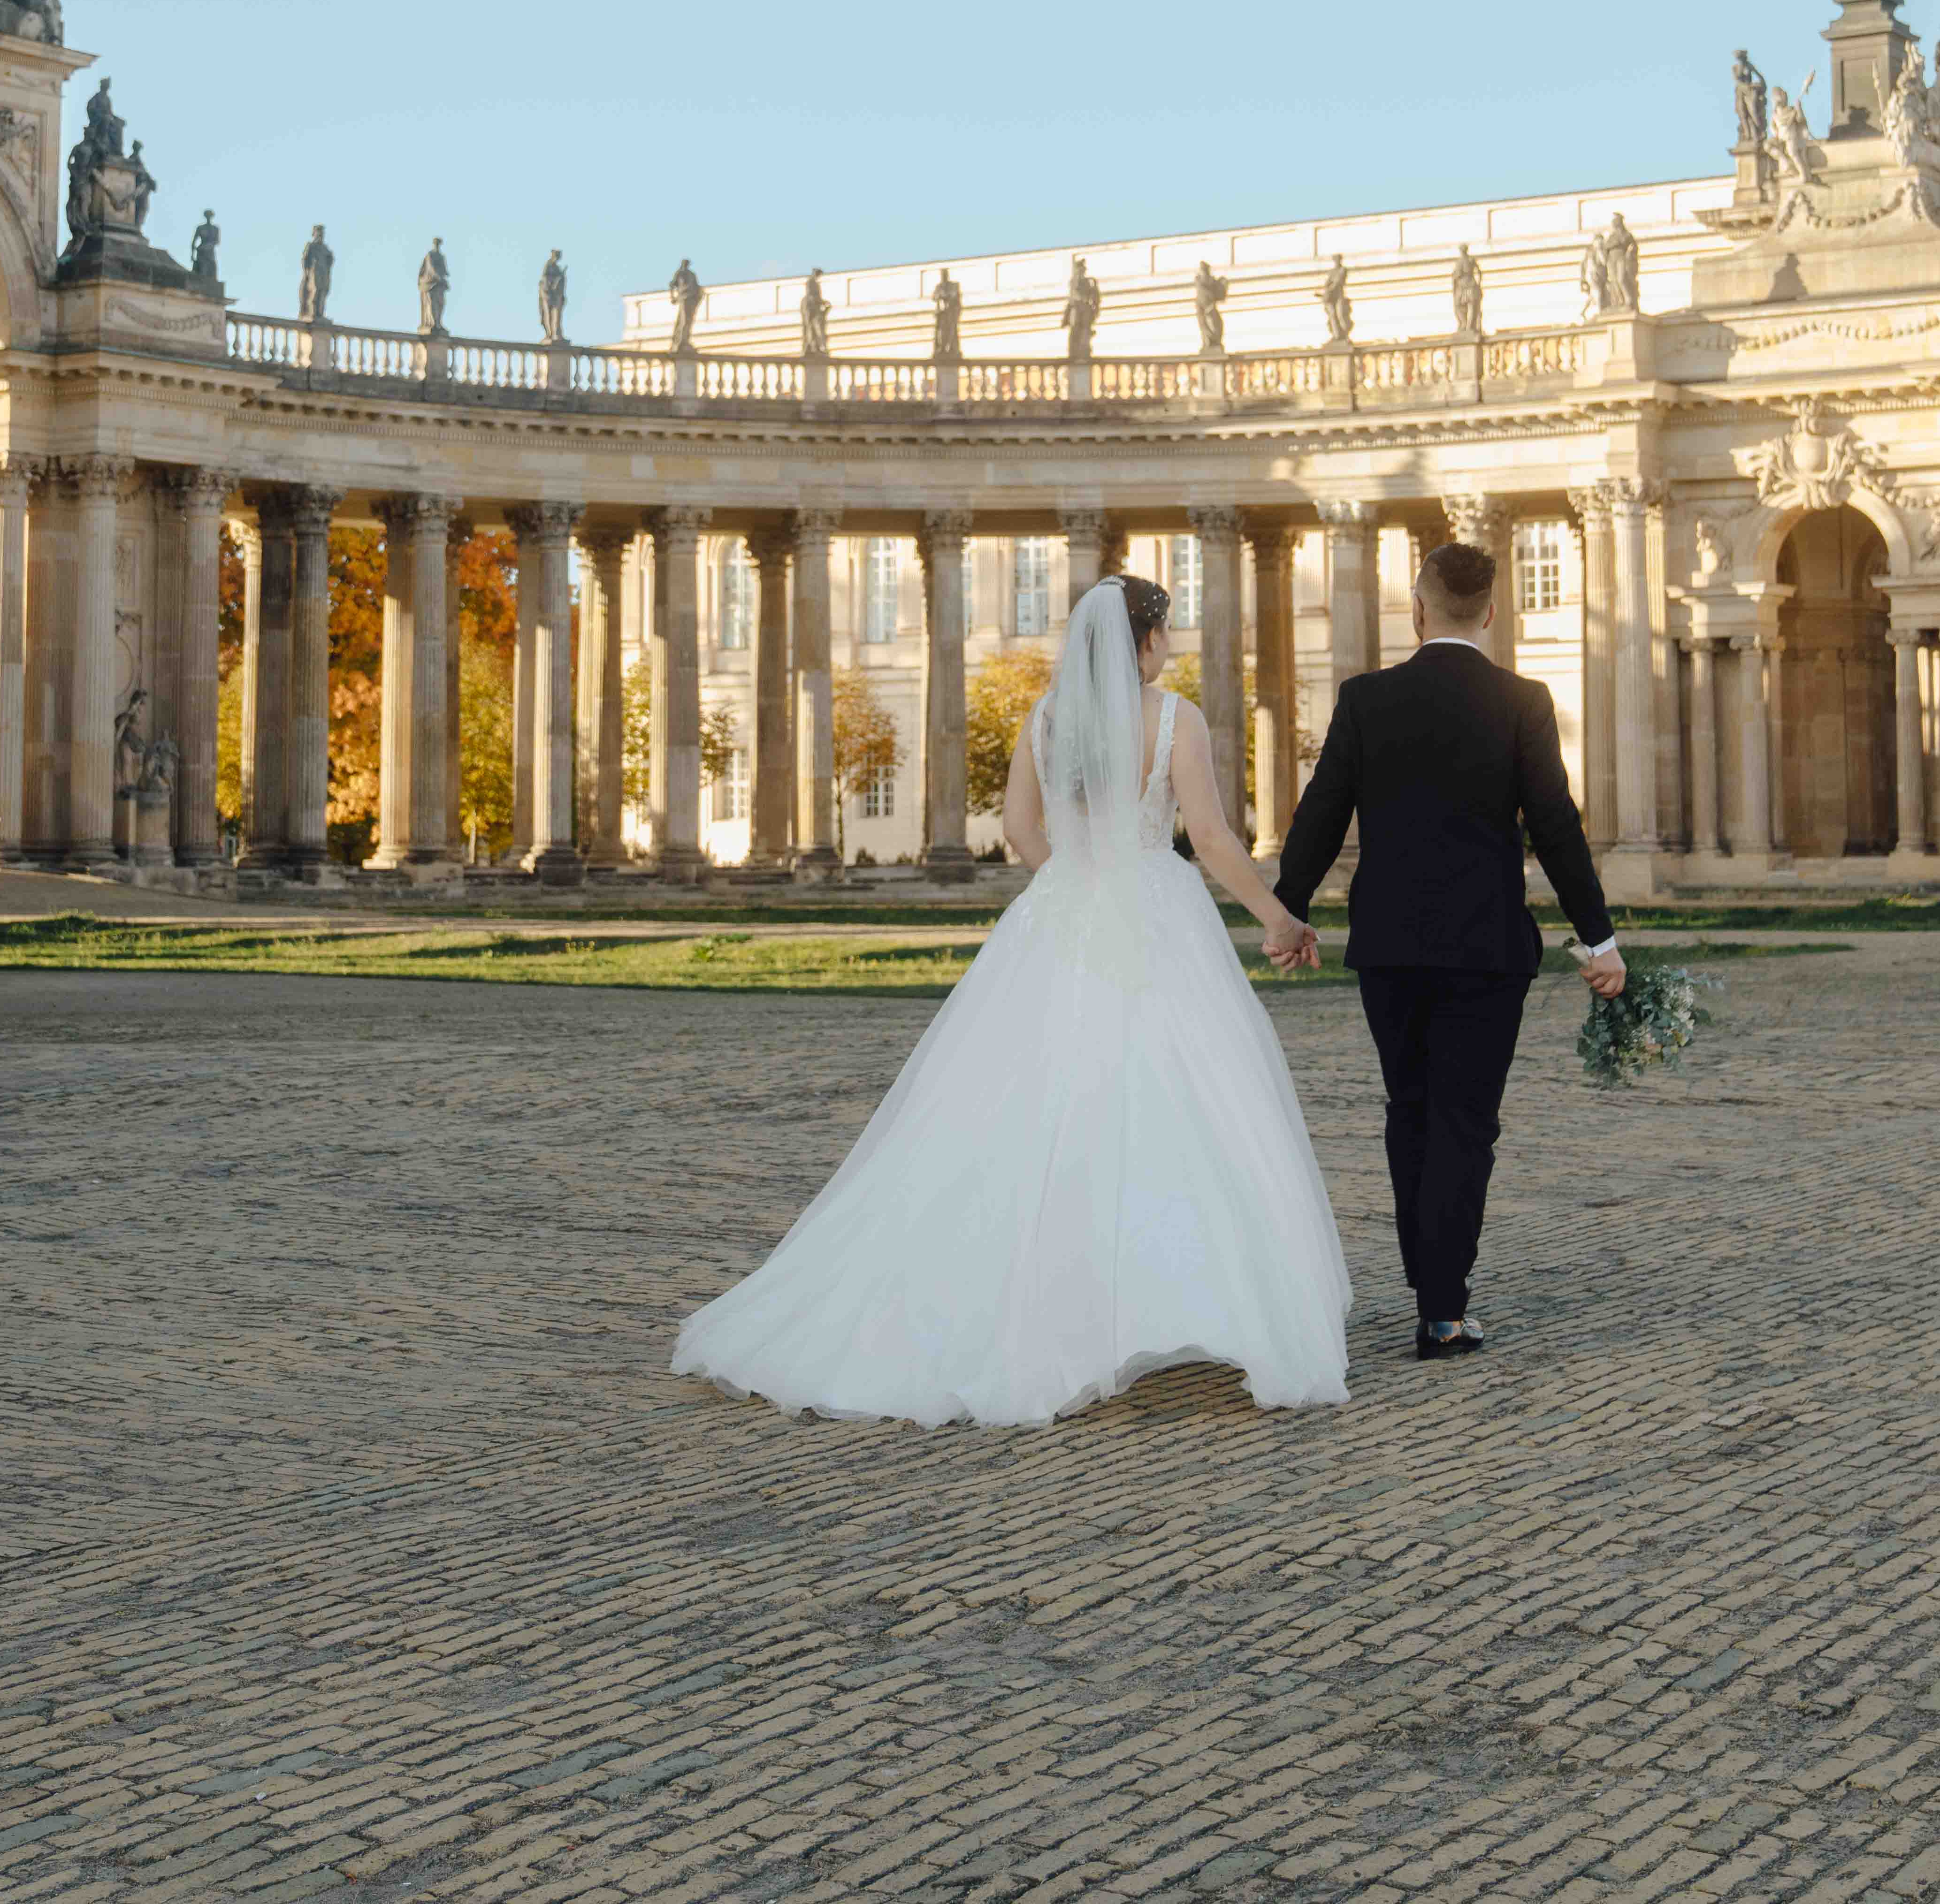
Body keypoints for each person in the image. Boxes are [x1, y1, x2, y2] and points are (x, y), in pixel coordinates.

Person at [672, 577, 1349, 1427]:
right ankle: (1173, 1301)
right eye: (1165, 629)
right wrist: (1278, 916)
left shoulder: (1046, 720)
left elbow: (1022, 832)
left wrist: (1075, 883)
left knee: (1022, 1106)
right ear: (1143, 640)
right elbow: (1209, 836)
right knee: (1181, 1105)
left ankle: (1044, 1303)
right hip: (1156, 915)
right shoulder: (1173, 717)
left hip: (1063, 914)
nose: (1171, 644)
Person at [1273, 540, 1620, 1362]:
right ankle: (1443, 1309)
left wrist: (1288, 912)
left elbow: (1321, 814)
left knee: (1410, 1113)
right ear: (1491, 613)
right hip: (1487, 947)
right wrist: (1598, 938)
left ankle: (1427, 1282)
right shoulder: (1523, 700)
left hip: (1389, 947)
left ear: (1417, 609)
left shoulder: (1365, 699)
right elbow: (1557, 827)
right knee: (1466, 1123)